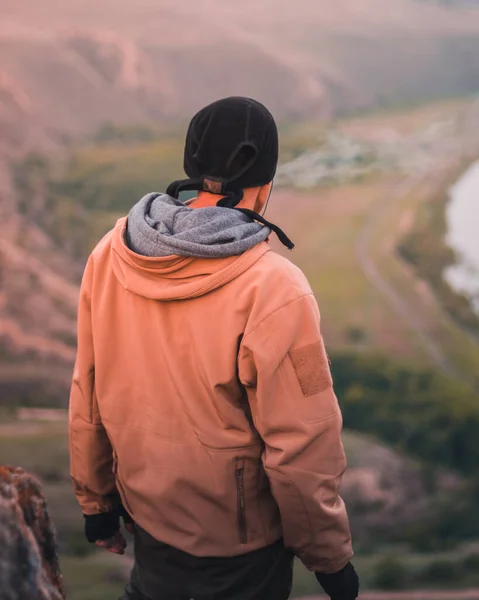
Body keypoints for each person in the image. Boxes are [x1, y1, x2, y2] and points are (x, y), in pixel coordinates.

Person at [69, 96, 358, 600]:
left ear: (192, 164)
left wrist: (97, 505)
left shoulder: (111, 254)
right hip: (240, 551)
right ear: (265, 181)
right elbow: (302, 444)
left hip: (148, 522)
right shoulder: (275, 288)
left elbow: (88, 391)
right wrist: (329, 558)